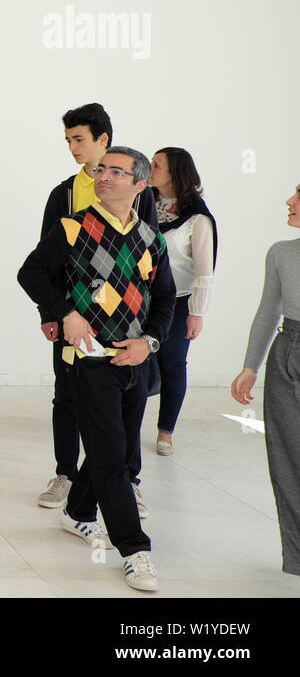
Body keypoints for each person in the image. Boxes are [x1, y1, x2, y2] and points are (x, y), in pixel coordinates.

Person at [18, 146, 175, 591]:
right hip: (88, 361)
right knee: (111, 459)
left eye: (117, 172)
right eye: (102, 169)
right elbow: (30, 273)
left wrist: (149, 342)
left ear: (139, 185)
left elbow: (163, 299)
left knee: (118, 450)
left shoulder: (151, 238)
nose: (104, 176)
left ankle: (78, 512)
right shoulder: (72, 227)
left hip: (135, 361)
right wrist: (64, 313)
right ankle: (135, 550)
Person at [35, 104, 159, 515]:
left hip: (126, 325)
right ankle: (66, 475)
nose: (73, 148)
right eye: (68, 140)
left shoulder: (136, 195)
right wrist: (53, 314)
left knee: (127, 407)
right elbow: (41, 264)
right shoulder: (65, 195)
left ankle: (127, 480)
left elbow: (150, 259)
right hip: (76, 321)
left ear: (103, 140)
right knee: (67, 396)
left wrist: (149, 334)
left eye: (79, 139)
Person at [231, 182, 300, 575]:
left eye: (297, 197)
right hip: (288, 352)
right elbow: (266, 312)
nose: (288, 202)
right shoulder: (281, 253)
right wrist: (250, 365)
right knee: (289, 460)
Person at [148, 148, 218, 456]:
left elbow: (204, 270)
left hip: (177, 301)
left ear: (175, 173)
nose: (149, 169)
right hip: (140, 299)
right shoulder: (144, 204)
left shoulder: (197, 218)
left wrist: (197, 313)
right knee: (131, 363)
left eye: (156, 165)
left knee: (173, 364)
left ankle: (166, 433)